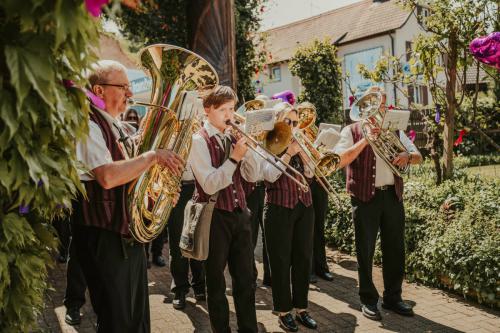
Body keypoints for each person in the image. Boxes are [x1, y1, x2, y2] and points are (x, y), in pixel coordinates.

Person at [72, 60, 184, 333]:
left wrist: (159, 192)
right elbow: (108, 177)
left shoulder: (119, 127)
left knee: (137, 320)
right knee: (117, 321)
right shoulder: (87, 125)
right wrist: (152, 156)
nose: (129, 94)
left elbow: (133, 179)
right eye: (122, 87)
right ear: (98, 90)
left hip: (126, 235)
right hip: (104, 236)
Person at [334, 86, 422, 321]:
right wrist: (365, 140)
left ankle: (393, 298)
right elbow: (340, 160)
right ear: (362, 106)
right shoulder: (350, 131)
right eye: (372, 104)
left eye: (380, 104)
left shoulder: (394, 130)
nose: (377, 109)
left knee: (395, 250)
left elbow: (418, 157)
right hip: (364, 199)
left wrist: (407, 156)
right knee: (365, 251)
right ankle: (368, 300)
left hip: (392, 197)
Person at [190, 85, 260, 333]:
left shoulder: (234, 136)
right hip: (213, 217)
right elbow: (209, 185)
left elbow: (254, 175)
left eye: (232, 108)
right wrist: (234, 159)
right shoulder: (198, 140)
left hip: (240, 215)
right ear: (208, 110)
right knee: (216, 283)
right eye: (223, 110)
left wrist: (248, 153)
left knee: (246, 280)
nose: (230, 115)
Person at [262, 104, 318, 332]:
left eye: (295, 122)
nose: (292, 126)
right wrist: (288, 153)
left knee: (304, 259)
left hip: (304, 207)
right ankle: (284, 311)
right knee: (281, 262)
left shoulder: (300, 143)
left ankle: (302, 308)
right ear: (277, 121)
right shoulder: (267, 143)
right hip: (278, 208)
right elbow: (269, 176)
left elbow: (313, 174)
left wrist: (303, 154)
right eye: (288, 121)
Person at [167, 159, 206, 310]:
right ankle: (180, 289)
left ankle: (199, 284)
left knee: (198, 238)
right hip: (177, 187)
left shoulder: (200, 136)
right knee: (177, 242)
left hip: (198, 187)